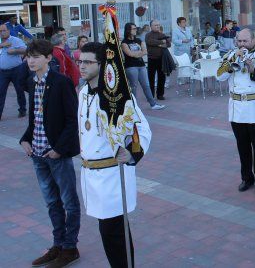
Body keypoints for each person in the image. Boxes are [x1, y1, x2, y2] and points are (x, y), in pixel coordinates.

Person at [77, 42, 152, 268]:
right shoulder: (82, 92)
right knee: (107, 231)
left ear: (102, 65)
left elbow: (142, 130)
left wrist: (131, 153)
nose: (82, 66)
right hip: (91, 174)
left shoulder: (117, 96)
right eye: (80, 61)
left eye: (88, 62)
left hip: (111, 174)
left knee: (114, 232)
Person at [20, 39, 81, 268]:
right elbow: (35, 118)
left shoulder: (61, 82)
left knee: (69, 202)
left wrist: (59, 149)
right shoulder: (31, 82)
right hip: (37, 154)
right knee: (51, 203)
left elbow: (71, 120)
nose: (31, 61)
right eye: (29, 56)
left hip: (57, 154)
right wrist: (25, 139)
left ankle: (70, 247)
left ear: (48, 58)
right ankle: (57, 244)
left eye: (36, 56)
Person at [216, 28, 255, 195]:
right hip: (236, 107)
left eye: (245, 41)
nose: (242, 44)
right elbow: (219, 76)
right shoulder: (230, 55)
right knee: (242, 146)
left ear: (253, 41)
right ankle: (246, 178)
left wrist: (253, 71)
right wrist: (230, 65)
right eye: (240, 41)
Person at [121, 23, 165, 110]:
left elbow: (145, 51)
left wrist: (136, 54)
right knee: (133, 86)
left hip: (141, 66)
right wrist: (138, 54)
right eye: (133, 29)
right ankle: (134, 106)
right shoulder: (124, 42)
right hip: (131, 67)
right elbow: (129, 54)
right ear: (128, 30)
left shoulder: (139, 40)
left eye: (135, 28)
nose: (135, 30)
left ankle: (153, 104)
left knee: (146, 85)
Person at [0, 23, 27, 119]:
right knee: (1, 92)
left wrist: (15, 51)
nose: (2, 33)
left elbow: (26, 50)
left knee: (19, 90)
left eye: (4, 30)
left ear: (8, 30)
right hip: (2, 72)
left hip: (16, 70)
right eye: (0, 31)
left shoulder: (15, 40)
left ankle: (22, 110)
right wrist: (2, 45)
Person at [145, 20, 171, 101]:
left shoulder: (162, 34)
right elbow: (150, 42)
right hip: (152, 59)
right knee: (151, 78)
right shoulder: (148, 35)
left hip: (161, 59)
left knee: (162, 77)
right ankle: (151, 95)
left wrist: (160, 43)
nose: (157, 26)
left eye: (158, 25)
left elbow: (168, 44)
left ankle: (160, 94)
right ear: (151, 26)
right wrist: (161, 42)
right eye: (155, 25)